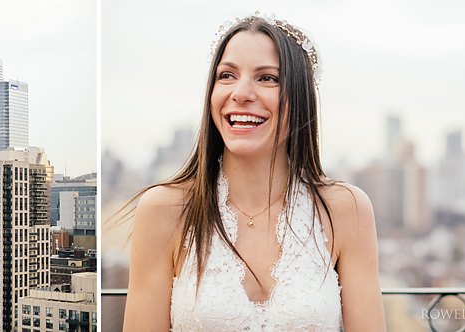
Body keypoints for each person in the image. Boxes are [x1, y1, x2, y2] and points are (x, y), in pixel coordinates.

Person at [121, 14, 386, 331]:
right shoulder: (164, 210)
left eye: (268, 78)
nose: (241, 93)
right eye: (227, 75)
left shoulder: (346, 209)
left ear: (300, 97)